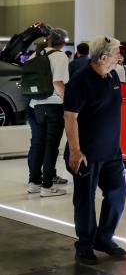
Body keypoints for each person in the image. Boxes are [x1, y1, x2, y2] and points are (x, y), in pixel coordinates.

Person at [63, 36, 126, 265]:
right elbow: (70, 116)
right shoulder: (80, 81)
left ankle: (104, 238)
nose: (120, 57)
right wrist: (75, 151)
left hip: (112, 153)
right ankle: (85, 244)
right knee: (85, 200)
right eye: (117, 54)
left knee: (117, 194)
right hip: (86, 154)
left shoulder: (112, 76)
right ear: (103, 57)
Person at [27, 28, 69, 197]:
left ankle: (33, 182)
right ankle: (47, 185)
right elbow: (58, 82)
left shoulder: (35, 55)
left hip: (35, 105)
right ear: (63, 42)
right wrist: (69, 101)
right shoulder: (60, 56)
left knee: (37, 144)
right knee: (51, 146)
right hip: (53, 105)